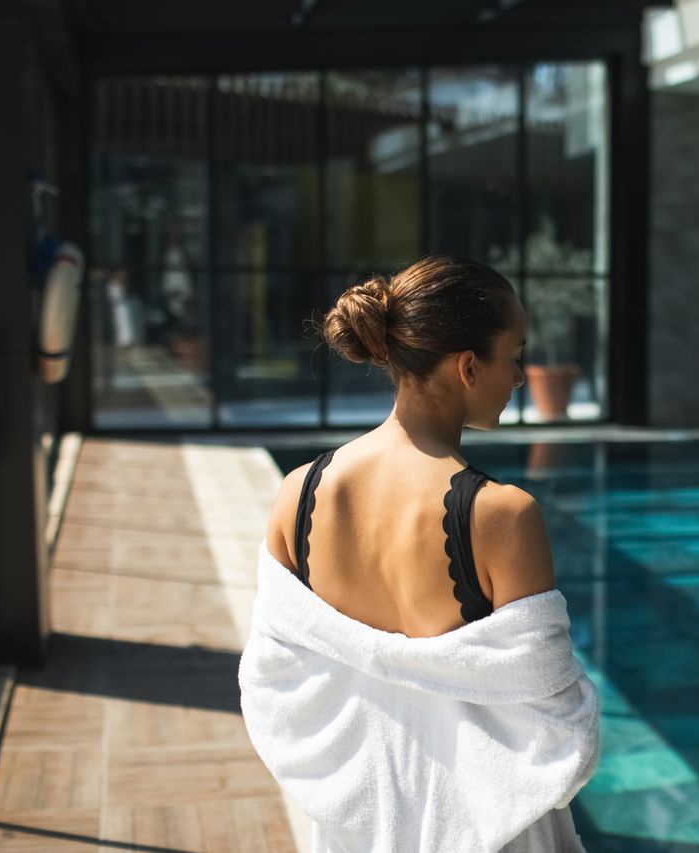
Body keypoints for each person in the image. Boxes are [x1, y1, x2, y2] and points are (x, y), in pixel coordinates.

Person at [238, 256, 599, 853]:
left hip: (358, 827)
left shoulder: (297, 493)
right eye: (513, 355)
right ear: (466, 366)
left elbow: (275, 682)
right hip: (490, 833)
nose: (517, 377)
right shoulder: (501, 515)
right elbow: (559, 722)